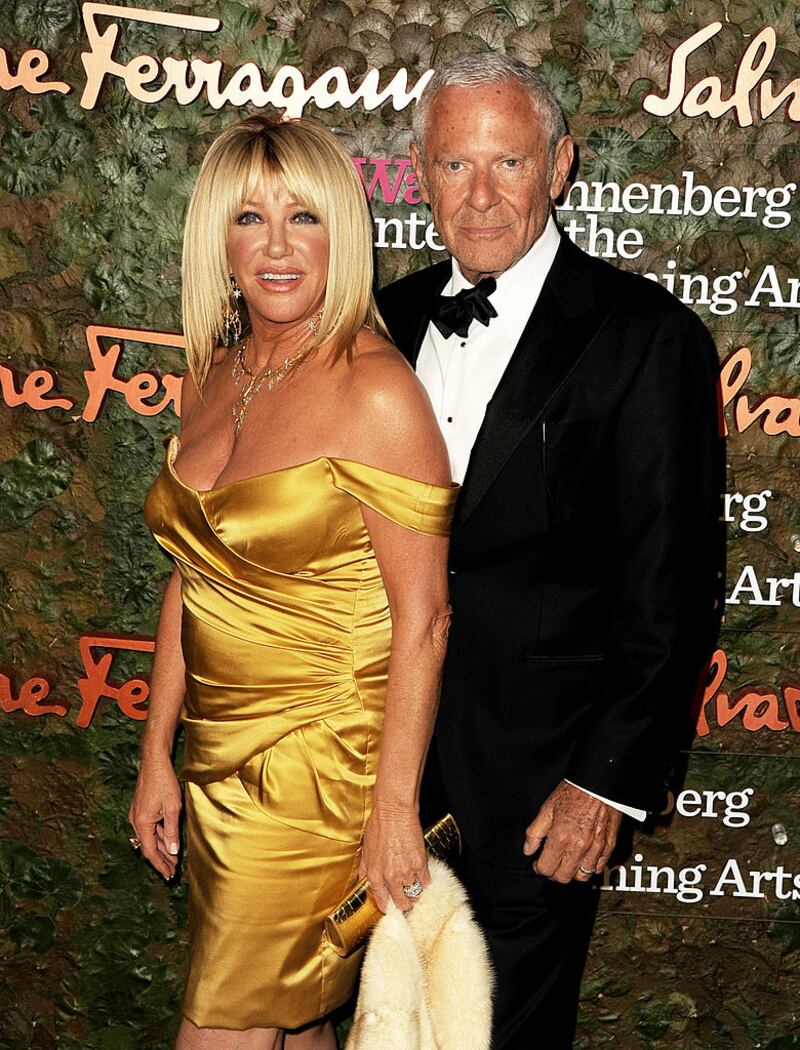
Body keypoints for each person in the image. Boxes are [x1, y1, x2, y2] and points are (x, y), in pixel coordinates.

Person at [378, 54, 724, 1049]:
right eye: (453, 165)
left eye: (508, 162)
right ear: (417, 171)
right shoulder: (380, 322)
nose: (479, 195)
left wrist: (602, 779)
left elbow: (667, 584)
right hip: (367, 773)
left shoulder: (645, 337)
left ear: (559, 164)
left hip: (536, 787)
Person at [129, 115, 457, 1050]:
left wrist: (393, 816)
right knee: (299, 1027)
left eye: (303, 217)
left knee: (223, 1027)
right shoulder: (213, 371)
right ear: (216, 240)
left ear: (341, 235)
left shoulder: (375, 390)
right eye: (249, 219)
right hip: (217, 761)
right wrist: (159, 750)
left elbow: (425, 621)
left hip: (320, 768)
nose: (276, 247)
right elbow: (194, 578)